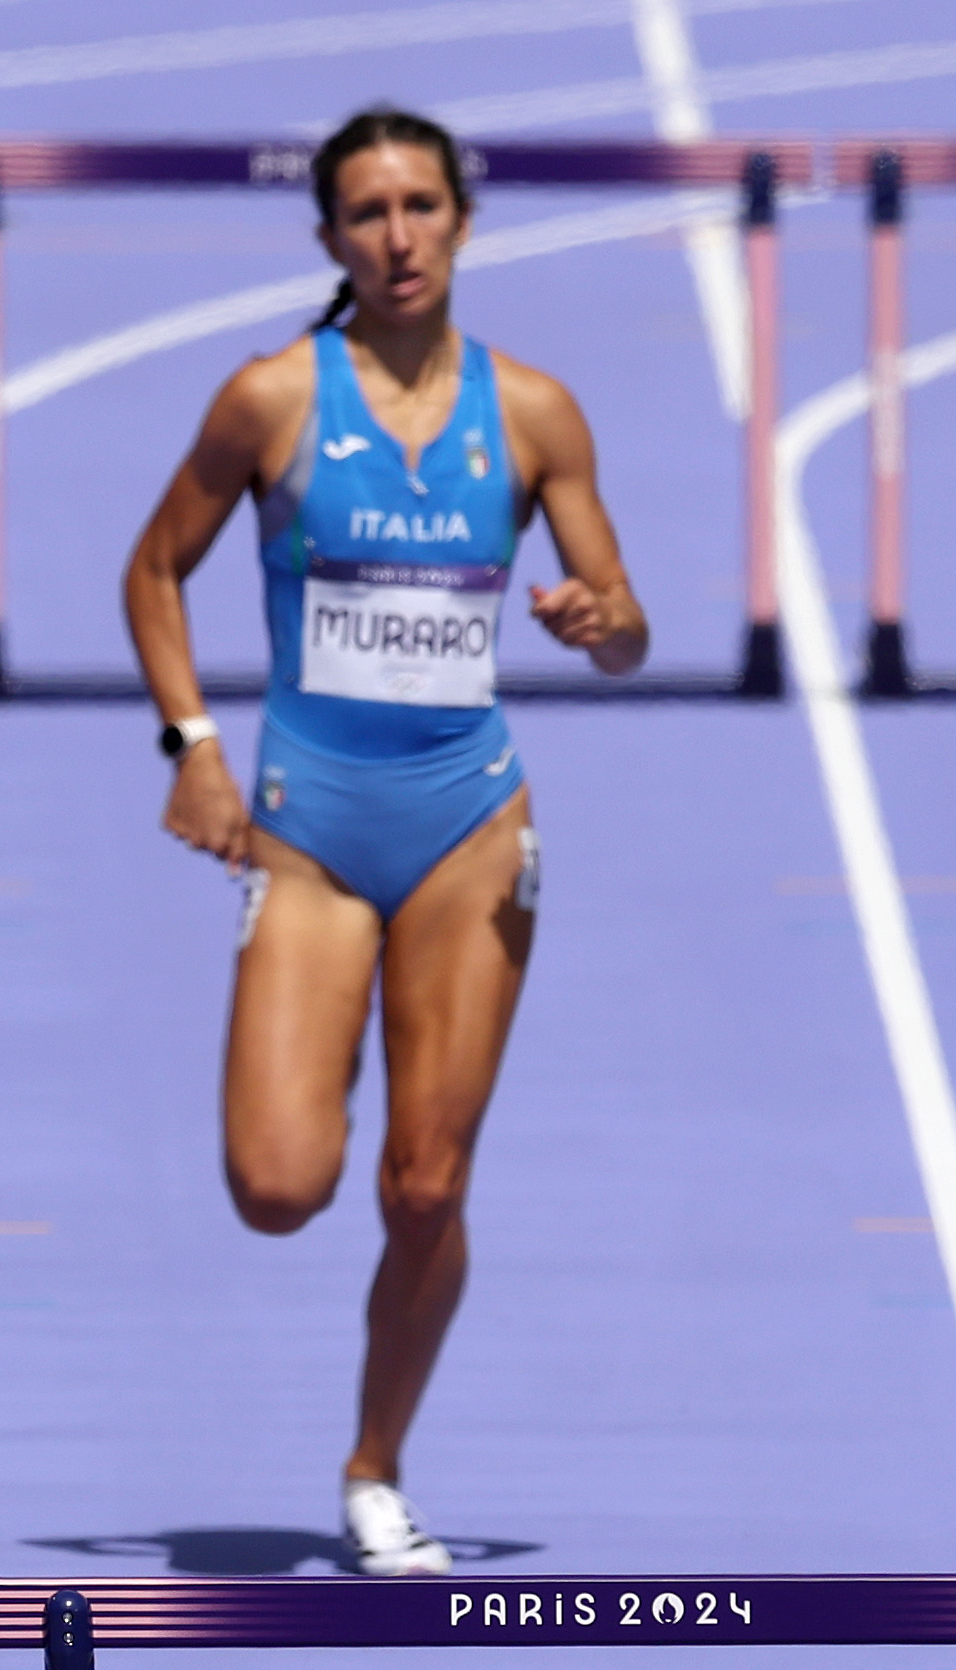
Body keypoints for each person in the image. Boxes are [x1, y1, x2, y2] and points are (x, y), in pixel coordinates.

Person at [122, 109, 647, 1577]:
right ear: (331, 239)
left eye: (423, 205)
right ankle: (313, 1029)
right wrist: (193, 748)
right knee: (281, 1184)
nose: (399, 235)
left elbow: (624, 622)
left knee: (425, 1183)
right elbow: (154, 567)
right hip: (310, 829)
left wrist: (605, 622)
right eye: (368, 211)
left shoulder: (534, 412)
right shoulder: (274, 398)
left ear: (465, 221)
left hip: (472, 822)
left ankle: (374, 1467)